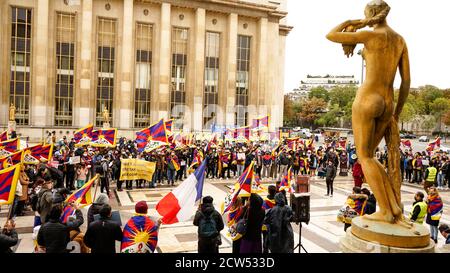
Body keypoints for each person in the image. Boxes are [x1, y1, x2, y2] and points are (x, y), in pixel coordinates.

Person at [327, 0, 410, 224]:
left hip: (367, 98)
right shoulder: (399, 39)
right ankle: (392, 207)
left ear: (371, 15)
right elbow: (406, 82)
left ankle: (386, 210)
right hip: (388, 102)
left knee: (364, 157)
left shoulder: (369, 35)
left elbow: (331, 35)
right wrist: (397, 112)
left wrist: (354, 22)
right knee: (370, 157)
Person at [262, 185, 277, 253]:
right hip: (275, 225)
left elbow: (263, 214)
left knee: (265, 241)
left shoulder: (264, 203)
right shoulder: (277, 202)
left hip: (266, 226)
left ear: (268, 191)